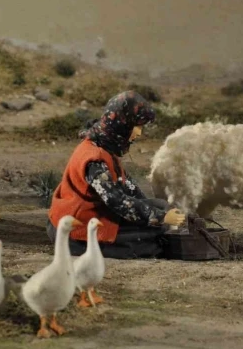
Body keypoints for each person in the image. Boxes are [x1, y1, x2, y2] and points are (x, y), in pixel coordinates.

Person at [47, 91, 186, 259]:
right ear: (123, 124)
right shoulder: (95, 159)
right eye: (138, 126)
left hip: (93, 214)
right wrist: (161, 217)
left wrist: (158, 211)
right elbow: (117, 201)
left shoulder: (105, 145)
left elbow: (129, 188)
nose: (139, 133)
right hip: (75, 231)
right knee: (153, 241)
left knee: (159, 207)